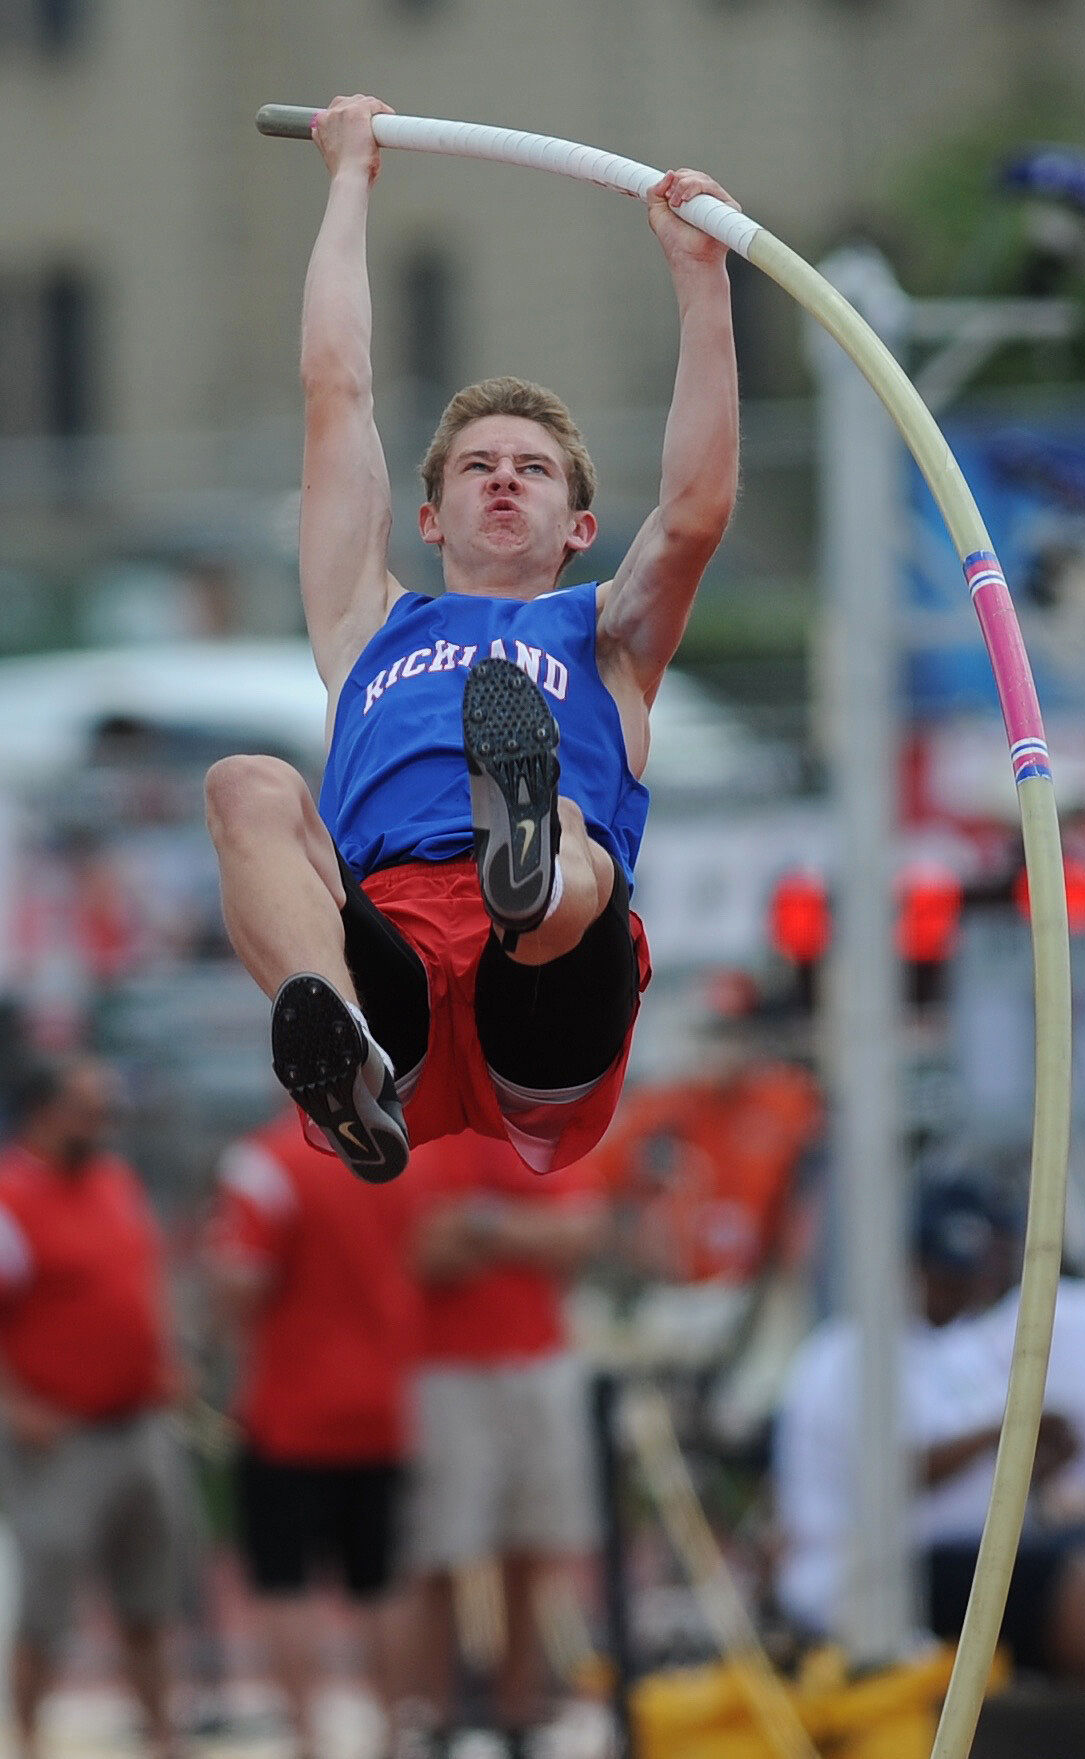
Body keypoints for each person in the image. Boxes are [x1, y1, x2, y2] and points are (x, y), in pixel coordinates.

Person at [204, 92, 739, 1183]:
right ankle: (338, 1041)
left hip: (537, 1005)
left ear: (580, 527)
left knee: (576, 838)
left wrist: (701, 276)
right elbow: (335, 395)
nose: (503, 477)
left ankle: (532, 875)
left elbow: (691, 511)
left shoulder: (608, 636)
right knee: (246, 786)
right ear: (430, 518)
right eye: (476, 467)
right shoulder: (367, 621)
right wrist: (348, 180)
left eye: (532, 468)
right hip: (390, 967)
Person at [773, 1178, 1085, 1680]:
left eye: (963, 1275)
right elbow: (896, 1475)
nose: (958, 1289)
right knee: (1069, 1581)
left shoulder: (956, 1351)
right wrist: (1000, 1432)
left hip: (958, 1556)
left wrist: (1047, 1443)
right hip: (868, 1575)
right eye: (942, 1274)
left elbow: (1014, 1474)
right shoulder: (845, 1356)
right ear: (904, 1266)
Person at [206, 1107, 422, 1759]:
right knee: (380, 1580)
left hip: (291, 1409)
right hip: (385, 1401)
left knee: (284, 1581)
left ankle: (308, 1737)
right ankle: (393, 1732)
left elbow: (243, 1281)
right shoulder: (407, 1152)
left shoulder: (267, 1161)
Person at [397, 1130, 608, 1758]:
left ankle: (519, 1711)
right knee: (439, 1548)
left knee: (533, 1542)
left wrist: (482, 1224)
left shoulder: (538, 1127)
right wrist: (526, 1234)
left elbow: (579, 1235)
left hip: (535, 1360)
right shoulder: (419, 1132)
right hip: (444, 1367)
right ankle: (438, 1714)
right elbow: (417, 1250)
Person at [0, 1056, 188, 1759]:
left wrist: (165, 1356)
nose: (104, 1123)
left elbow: (142, 1275)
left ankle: (163, 1735)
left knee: (151, 1600)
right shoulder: (13, 1197)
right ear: (44, 1114)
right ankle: (27, 1739)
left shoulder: (114, 1180)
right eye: (87, 1109)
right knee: (46, 1608)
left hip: (138, 1423)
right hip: (63, 1435)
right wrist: (14, 1404)